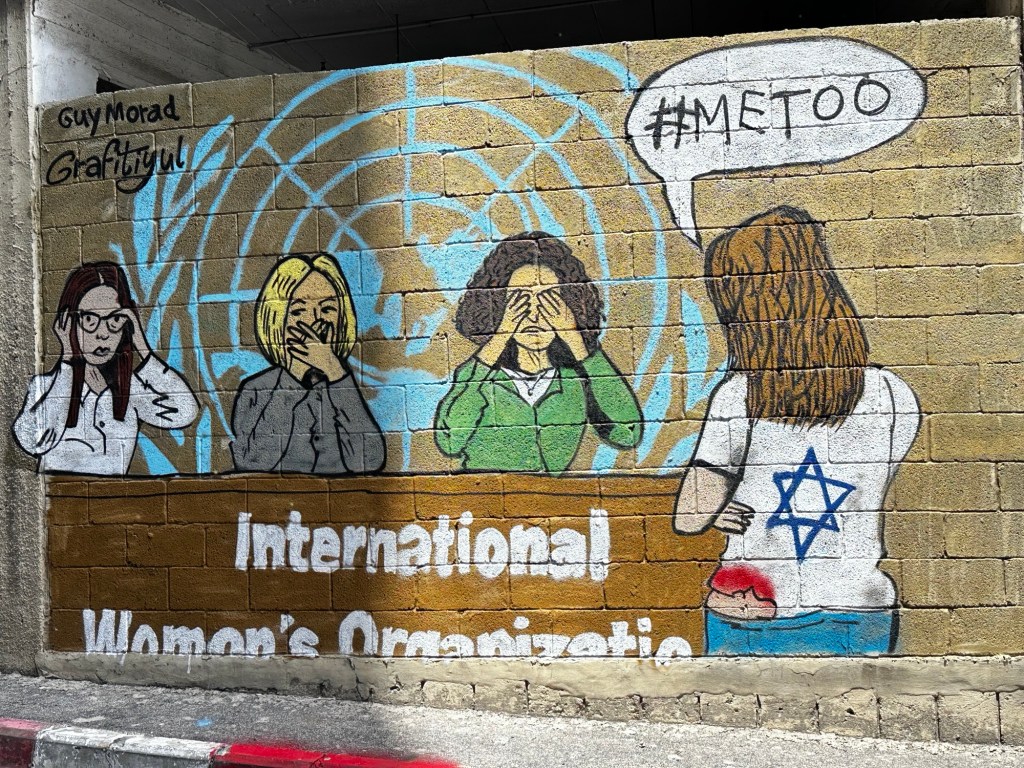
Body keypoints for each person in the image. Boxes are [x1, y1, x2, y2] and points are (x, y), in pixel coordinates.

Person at [673, 207, 920, 656]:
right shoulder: (893, 394)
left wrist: (719, 508)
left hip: (753, 604)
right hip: (859, 607)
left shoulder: (740, 397)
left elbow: (688, 517)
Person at [435, 231, 642, 473]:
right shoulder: (479, 376)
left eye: (548, 301)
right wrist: (499, 338)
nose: (534, 315)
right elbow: (449, 440)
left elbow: (628, 433)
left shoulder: (575, 379)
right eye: (520, 301)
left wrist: (575, 340)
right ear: (499, 306)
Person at [13, 261, 198, 475]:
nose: (103, 333)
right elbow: (32, 442)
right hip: (60, 497)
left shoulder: (129, 391)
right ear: (68, 321)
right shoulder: (46, 387)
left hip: (115, 497)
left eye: (115, 320)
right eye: (89, 319)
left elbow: (185, 412)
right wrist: (67, 362)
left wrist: (142, 346)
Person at [231, 252, 385, 474]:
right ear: (277, 320)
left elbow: (370, 460)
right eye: (298, 311)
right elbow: (252, 462)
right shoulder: (256, 390)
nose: (313, 320)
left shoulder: (349, 385)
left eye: (327, 309)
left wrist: (333, 369)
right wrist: (295, 374)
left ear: (342, 319)